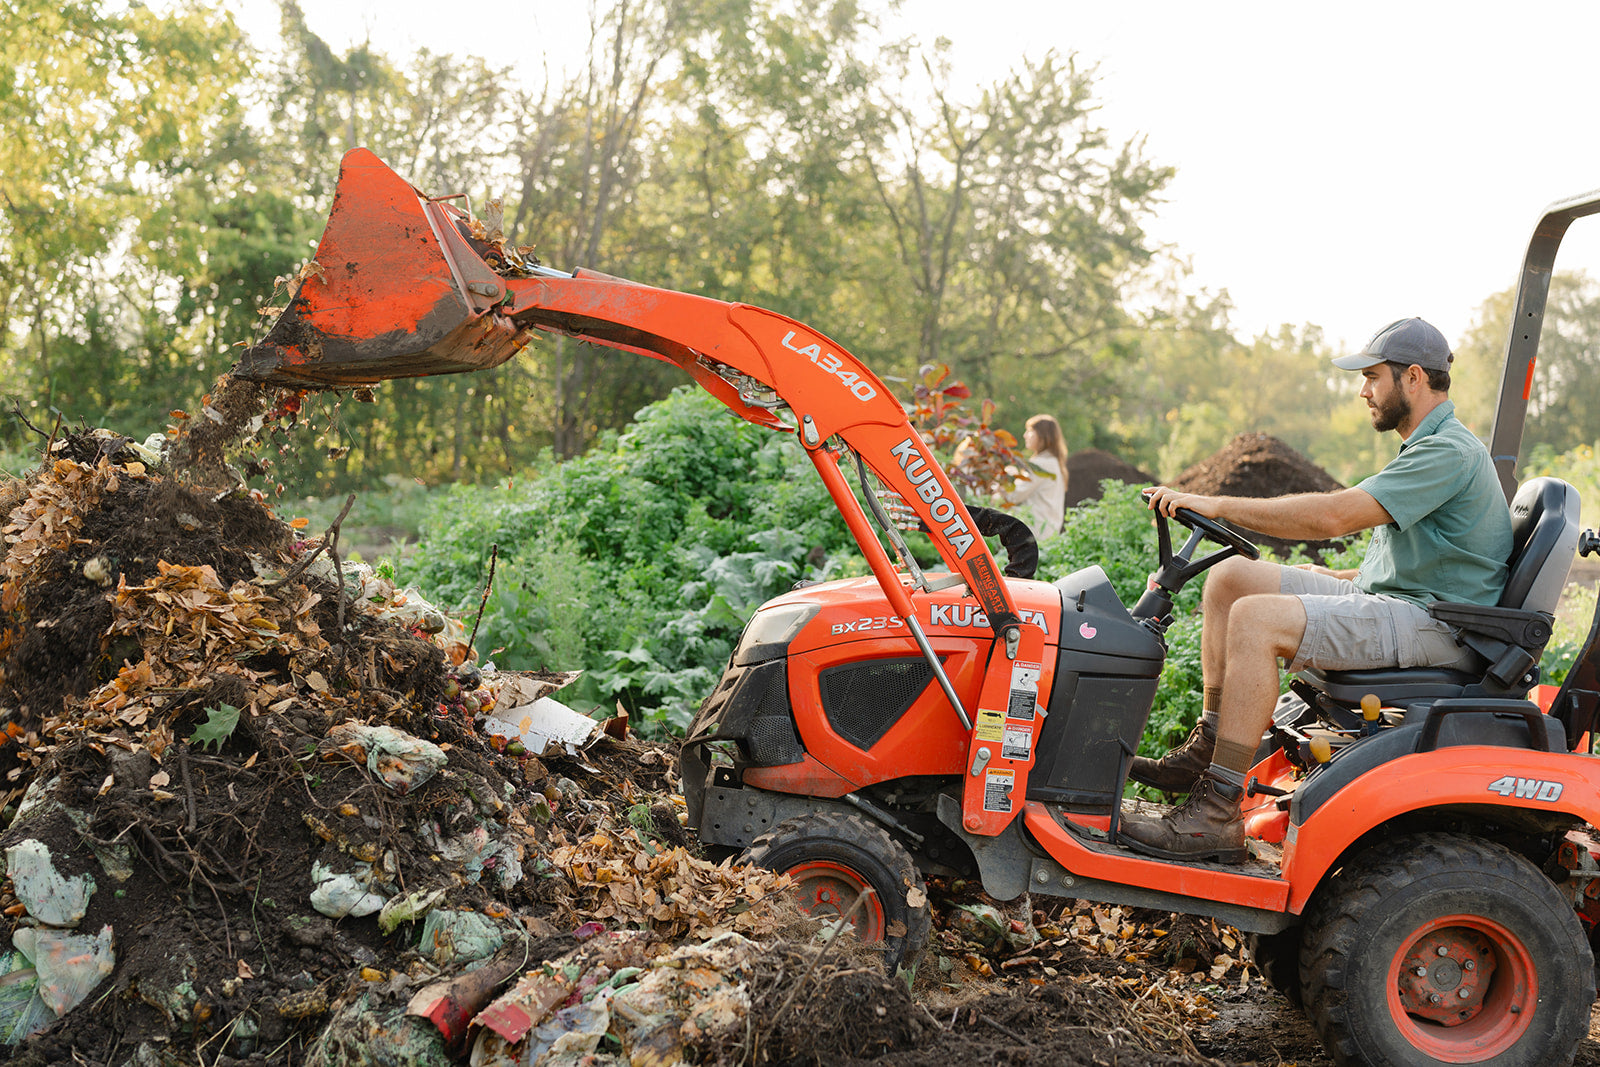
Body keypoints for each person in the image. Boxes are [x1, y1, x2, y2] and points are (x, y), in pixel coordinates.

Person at [1120, 317, 1512, 864]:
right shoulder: (1429, 446)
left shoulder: (1448, 452)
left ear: (1414, 378)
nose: (1363, 390)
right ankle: (1211, 744)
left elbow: (1332, 516)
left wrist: (1214, 504)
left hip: (1435, 627)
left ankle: (1216, 812)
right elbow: (1433, 562)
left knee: (1258, 619)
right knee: (1231, 578)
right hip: (1399, 603)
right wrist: (1341, 580)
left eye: (1373, 377)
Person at [1006, 414, 1069, 540]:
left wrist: (1007, 477)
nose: (1025, 435)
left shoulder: (1040, 464)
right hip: (1047, 532)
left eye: (1030, 431)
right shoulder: (1054, 462)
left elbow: (1014, 496)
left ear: (1042, 436)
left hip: (1032, 532)